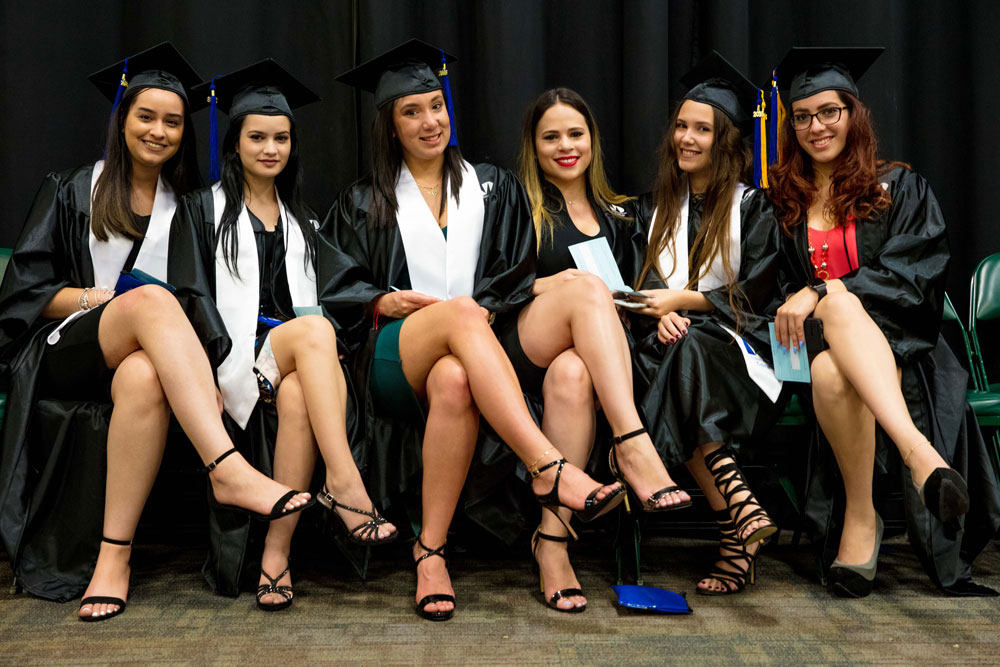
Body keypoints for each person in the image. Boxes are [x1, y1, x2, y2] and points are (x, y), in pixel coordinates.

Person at [0, 43, 312, 623]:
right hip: (66, 348)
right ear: (122, 119)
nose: (159, 131)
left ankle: (112, 560)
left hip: (144, 359)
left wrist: (199, 369)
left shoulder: (190, 206)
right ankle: (227, 468)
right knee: (148, 300)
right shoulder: (71, 188)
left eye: (172, 121)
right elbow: (24, 294)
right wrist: (103, 299)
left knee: (145, 375)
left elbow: (202, 304)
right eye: (146, 116)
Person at [322, 39, 624, 621]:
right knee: (459, 314)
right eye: (411, 112)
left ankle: (430, 551)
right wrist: (383, 297)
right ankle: (547, 464)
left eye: (436, 106)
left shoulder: (491, 186)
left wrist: (480, 308)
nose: (429, 121)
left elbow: (515, 271)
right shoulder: (364, 201)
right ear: (390, 126)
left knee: (457, 376)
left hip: (472, 355)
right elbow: (335, 287)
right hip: (391, 356)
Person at [768, 47, 1000, 597]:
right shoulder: (783, 203)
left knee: (833, 363)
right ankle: (922, 460)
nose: (815, 126)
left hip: (899, 338)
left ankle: (862, 518)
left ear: (853, 113)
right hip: (810, 340)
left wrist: (822, 289)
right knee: (834, 320)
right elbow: (773, 291)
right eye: (802, 116)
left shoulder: (897, 187)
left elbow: (918, 275)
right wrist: (817, 296)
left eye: (828, 111)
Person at [169, 60, 396, 611]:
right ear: (236, 142)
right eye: (257, 137)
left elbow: (340, 286)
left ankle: (277, 554)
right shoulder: (203, 209)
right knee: (314, 331)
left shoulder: (301, 219)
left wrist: (381, 299)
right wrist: (213, 371)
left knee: (300, 383)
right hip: (233, 358)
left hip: (289, 362)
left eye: (282, 137)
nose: (271, 148)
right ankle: (344, 483)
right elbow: (189, 298)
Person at [515, 87, 693, 612]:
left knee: (572, 374)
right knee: (587, 291)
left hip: (587, 362)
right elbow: (487, 284)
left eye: (576, 134)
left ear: (593, 140)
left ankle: (551, 542)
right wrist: (553, 286)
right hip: (520, 345)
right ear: (533, 145)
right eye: (551, 136)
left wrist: (661, 314)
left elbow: (629, 295)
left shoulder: (620, 215)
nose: (566, 145)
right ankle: (632, 443)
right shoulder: (517, 203)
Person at [628, 52, 785, 595]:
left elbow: (760, 294)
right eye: (681, 126)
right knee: (681, 354)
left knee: (691, 352)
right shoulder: (651, 210)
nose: (687, 138)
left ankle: (731, 525)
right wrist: (660, 317)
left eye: (703, 129)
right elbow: (634, 290)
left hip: (742, 355)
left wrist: (682, 305)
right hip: (665, 349)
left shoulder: (756, 209)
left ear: (728, 143)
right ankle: (738, 517)